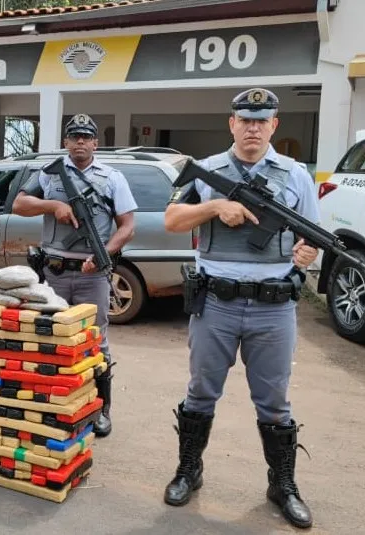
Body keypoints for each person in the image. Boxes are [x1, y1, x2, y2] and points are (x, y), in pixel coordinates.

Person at [162, 88, 319, 529]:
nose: (253, 127)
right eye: (245, 119)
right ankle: (189, 470)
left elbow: (311, 235)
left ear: (275, 125)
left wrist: (308, 255)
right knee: (200, 393)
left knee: (274, 402)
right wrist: (215, 205)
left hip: (273, 309)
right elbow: (171, 220)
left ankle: (282, 484)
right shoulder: (208, 170)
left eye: (261, 120)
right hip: (216, 303)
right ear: (232, 123)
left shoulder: (295, 175)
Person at [11, 113, 137, 437]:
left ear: (96, 142)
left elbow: (128, 226)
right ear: (66, 142)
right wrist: (53, 205)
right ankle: (56, 404)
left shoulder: (112, 178)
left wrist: (103, 254)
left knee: (96, 341)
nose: (80, 142)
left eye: (86, 137)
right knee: (52, 336)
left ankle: (100, 408)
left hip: (92, 274)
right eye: (74, 136)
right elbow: (19, 205)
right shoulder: (49, 174)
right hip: (54, 272)